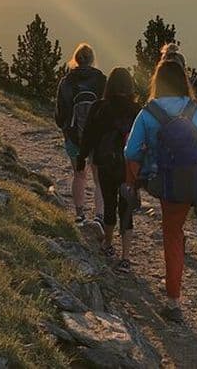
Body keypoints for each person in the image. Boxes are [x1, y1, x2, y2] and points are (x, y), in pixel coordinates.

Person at [124, 60, 197, 323]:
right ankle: (178, 263)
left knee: (172, 234)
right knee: (175, 227)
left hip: (161, 183)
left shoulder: (148, 112)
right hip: (193, 182)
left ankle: (173, 300)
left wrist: (136, 177)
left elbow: (130, 152)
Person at [78, 67, 141, 273]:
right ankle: (126, 257)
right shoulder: (137, 110)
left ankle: (107, 244)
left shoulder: (100, 107)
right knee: (126, 208)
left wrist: (81, 159)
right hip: (129, 166)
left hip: (105, 163)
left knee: (109, 203)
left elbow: (89, 136)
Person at [159, 43, 197, 253]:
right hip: (195, 160)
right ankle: (195, 238)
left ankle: (175, 236)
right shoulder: (195, 91)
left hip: (167, 162)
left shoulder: (160, 98)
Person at [55, 43, 107, 227]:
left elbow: (60, 114)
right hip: (98, 137)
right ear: (92, 59)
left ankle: (79, 214)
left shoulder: (66, 81)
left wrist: (66, 130)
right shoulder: (101, 80)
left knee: (79, 175)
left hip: (74, 136)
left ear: (75, 59)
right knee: (99, 179)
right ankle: (99, 216)